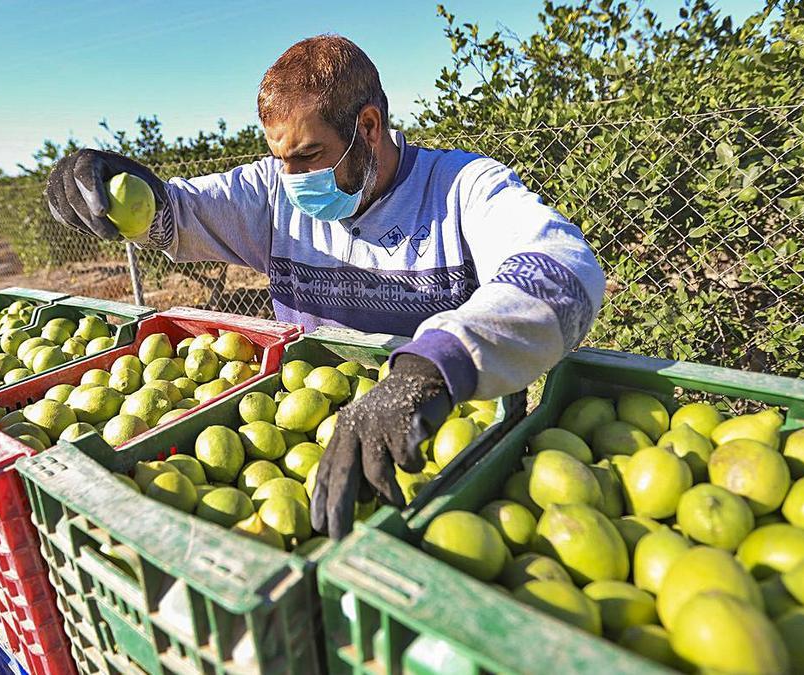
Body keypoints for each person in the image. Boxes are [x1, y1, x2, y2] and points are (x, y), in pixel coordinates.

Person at [45, 35, 605, 538]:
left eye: (309, 156)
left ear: (367, 126)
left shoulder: (462, 189)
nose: (293, 179)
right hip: (310, 437)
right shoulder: (270, 194)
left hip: (437, 451)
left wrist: (429, 370)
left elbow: (564, 269)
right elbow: (175, 214)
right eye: (280, 158)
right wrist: (114, 187)